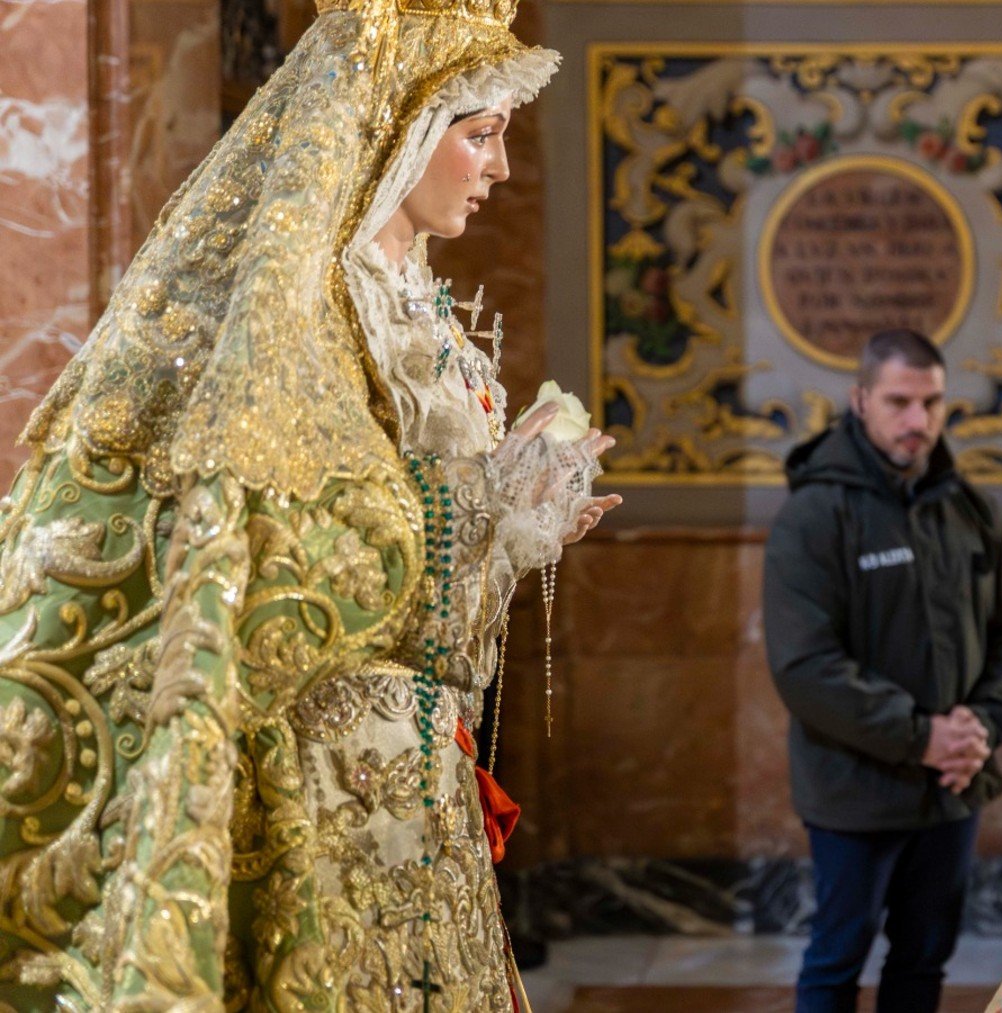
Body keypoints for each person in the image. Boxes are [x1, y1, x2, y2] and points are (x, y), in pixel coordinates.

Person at [0, 0, 619, 1005]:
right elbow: (311, 559)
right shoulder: (303, 324)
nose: (500, 169)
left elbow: (422, 581)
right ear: (397, 129)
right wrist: (487, 507)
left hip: (423, 769)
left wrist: (515, 531)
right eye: (482, 135)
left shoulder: (423, 305)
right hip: (333, 769)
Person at [763, 328, 1002, 1013]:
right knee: (836, 960)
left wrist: (980, 725)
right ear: (861, 400)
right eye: (899, 401)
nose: (918, 420)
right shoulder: (812, 514)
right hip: (855, 789)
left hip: (952, 789)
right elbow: (805, 667)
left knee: (923, 963)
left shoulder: (969, 508)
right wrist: (920, 735)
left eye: (932, 402)